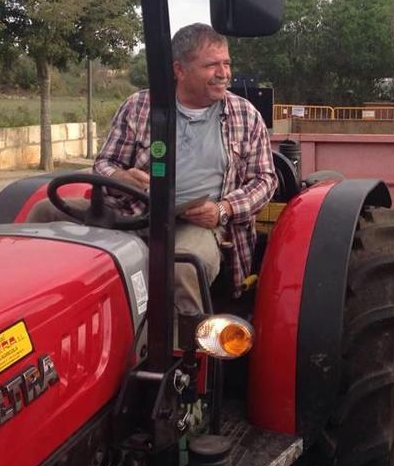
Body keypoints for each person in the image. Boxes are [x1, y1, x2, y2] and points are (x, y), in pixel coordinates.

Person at [28, 23, 276, 316]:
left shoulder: (245, 115)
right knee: (44, 212)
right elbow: (105, 163)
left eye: (226, 63)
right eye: (211, 65)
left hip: (197, 223)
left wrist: (223, 209)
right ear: (179, 70)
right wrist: (119, 176)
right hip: (131, 210)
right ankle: (37, 312)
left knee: (186, 265)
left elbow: (264, 179)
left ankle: (184, 348)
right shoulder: (139, 106)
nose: (223, 73)